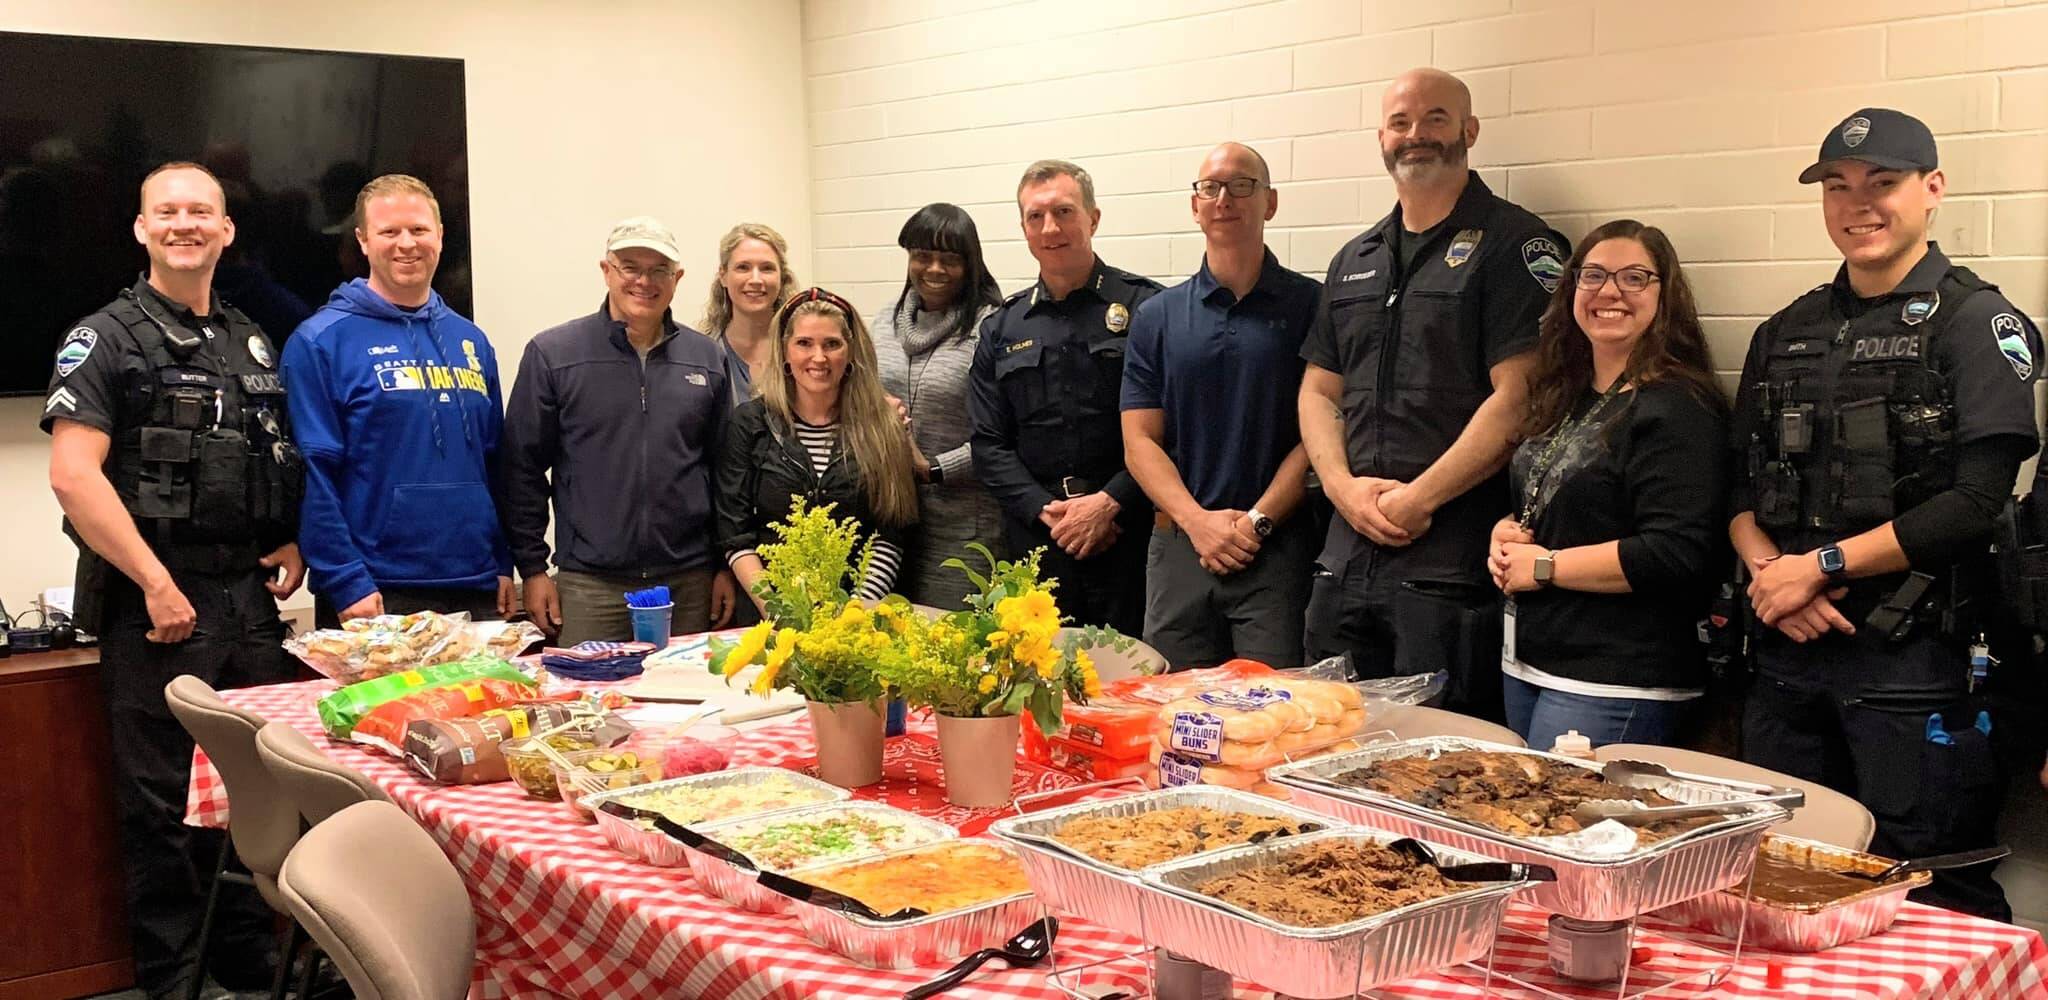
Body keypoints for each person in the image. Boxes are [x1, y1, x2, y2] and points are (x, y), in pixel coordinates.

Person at [1732, 109, 2040, 921]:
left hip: (1919, 667)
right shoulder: (1785, 330)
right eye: (1838, 186)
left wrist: (1819, 569)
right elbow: (1736, 489)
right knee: (1786, 887)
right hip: (1789, 660)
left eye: (1883, 183)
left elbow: (1976, 502)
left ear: (1933, 190)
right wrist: (1773, 576)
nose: (1857, 203)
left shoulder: (1978, 324)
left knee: (1932, 888)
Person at [43, 161, 304, 1000]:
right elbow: (74, 476)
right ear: (141, 227)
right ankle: (173, 980)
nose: (185, 223)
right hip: (158, 604)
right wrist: (157, 583)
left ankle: (248, 968)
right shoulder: (105, 337)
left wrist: (289, 534)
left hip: (248, 604)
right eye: (168, 211)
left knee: (253, 796)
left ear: (227, 232)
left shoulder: (249, 335)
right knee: (162, 810)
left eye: (202, 212)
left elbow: (265, 456)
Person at [1297, 68, 1567, 714]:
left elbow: (1521, 397)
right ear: (1382, 139)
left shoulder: (1517, 245)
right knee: (1321, 750)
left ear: (1470, 131)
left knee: (1435, 774)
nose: (1416, 135)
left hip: (1446, 567)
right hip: (1343, 561)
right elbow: (1317, 393)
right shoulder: (1354, 258)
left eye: (1436, 119)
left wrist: (1421, 498)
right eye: (1400, 122)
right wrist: (1339, 487)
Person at [1485, 220, 1728, 748]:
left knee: (1568, 830)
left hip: (1618, 679)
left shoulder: (1679, 407)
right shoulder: (1565, 393)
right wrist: (1505, 536)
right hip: (1533, 662)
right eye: (1592, 275)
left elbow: (1677, 553)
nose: (1609, 291)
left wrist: (1544, 568)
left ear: (1665, 296)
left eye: (1634, 277)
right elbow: (1555, 504)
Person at [281, 174, 513, 624]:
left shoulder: (471, 340)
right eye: (389, 232)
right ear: (363, 242)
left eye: (419, 230)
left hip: (476, 584)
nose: (406, 244)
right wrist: (347, 581)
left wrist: (503, 562)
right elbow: (312, 475)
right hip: (375, 593)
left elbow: (494, 460)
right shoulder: (319, 342)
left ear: (440, 237)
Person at [1122, 142, 1319, 667]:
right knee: (1171, 718)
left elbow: (1320, 434)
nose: (1223, 198)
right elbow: (1139, 442)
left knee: (1274, 717)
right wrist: (1197, 522)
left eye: (1241, 185)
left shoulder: (1313, 307)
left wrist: (1257, 521)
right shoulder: (1157, 316)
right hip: (1179, 550)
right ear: (1195, 206)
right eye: (1209, 187)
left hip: (1273, 553)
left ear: (1270, 202)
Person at [501, 217, 736, 643]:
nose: (644, 281)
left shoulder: (705, 358)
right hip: (590, 585)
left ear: (677, 278)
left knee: (690, 702)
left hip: (687, 582)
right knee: (588, 703)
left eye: (659, 270)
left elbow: (724, 470)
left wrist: (723, 565)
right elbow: (522, 470)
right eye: (630, 266)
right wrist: (533, 569)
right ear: (607, 270)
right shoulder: (554, 354)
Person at [970, 159, 1163, 636]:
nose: (1050, 227)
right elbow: (988, 443)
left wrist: (1110, 502)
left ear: (1093, 218)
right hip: (1038, 543)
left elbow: (1174, 428)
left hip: (1128, 535)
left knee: (1134, 682)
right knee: (1041, 685)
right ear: (1023, 227)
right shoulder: (1001, 327)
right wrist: (1046, 510)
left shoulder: (1148, 308)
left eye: (1064, 212)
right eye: (1036, 216)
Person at [716, 288, 919, 611]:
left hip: (858, 617)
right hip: (768, 614)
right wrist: (782, 611)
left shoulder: (882, 425)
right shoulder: (750, 423)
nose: (819, 357)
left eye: (832, 344)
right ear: (784, 351)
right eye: (804, 343)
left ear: (851, 352)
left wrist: (853, 614)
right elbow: (735, 534)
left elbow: (891, 531)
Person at [873, 203, 1007, 608]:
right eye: (922, 256)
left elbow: (1004, 431)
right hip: (888, 523)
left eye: (949, 260)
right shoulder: (881, 323)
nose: (933, 269)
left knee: (954, 651)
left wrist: (931, 468)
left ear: (971, 265)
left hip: (966, 526)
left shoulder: (992, 327)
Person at [701, 222, 798, 407]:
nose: (755, 280)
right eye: (743, 267)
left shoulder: (802, 351)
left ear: (782, 277)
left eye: (766, 268)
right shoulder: (703, 355)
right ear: (723, 276)